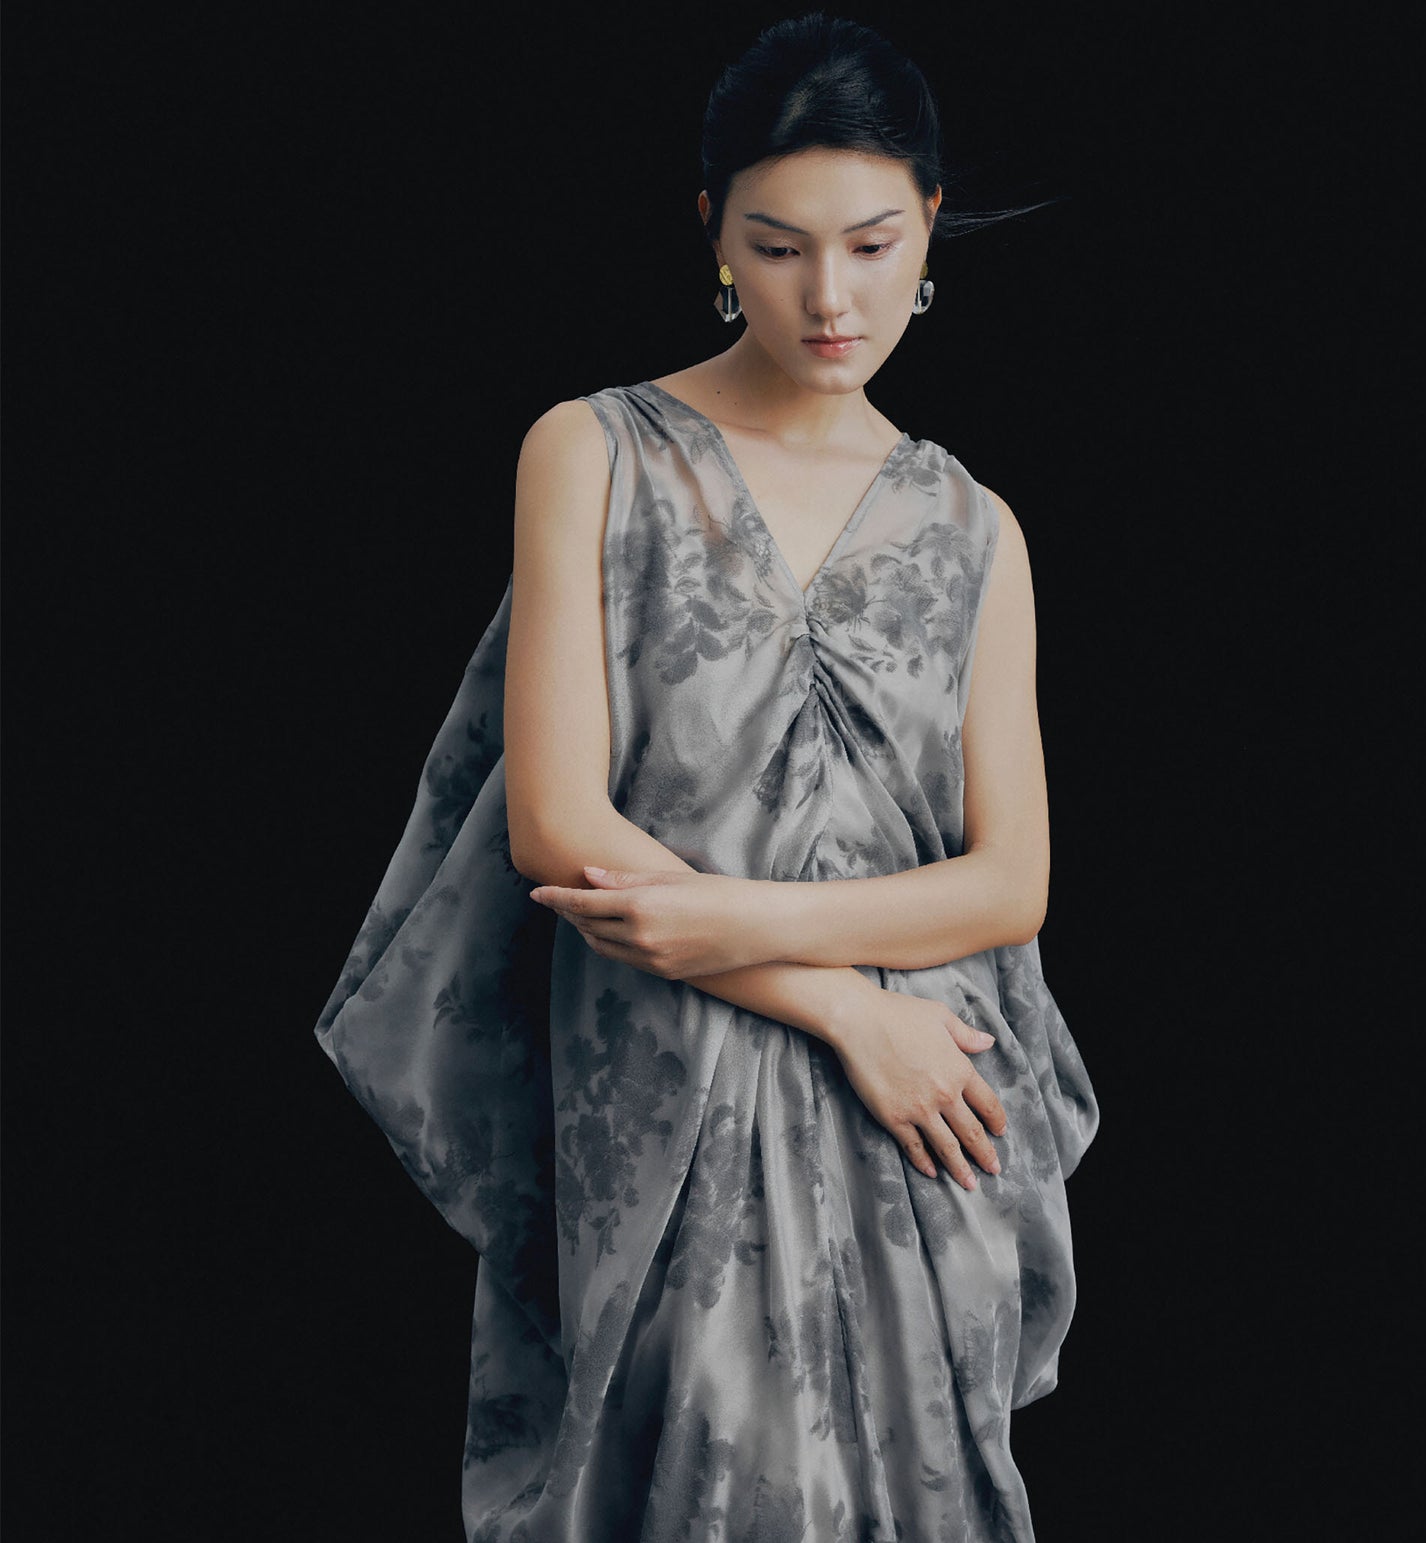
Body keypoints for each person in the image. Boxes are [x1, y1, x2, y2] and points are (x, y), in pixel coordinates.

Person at [314, 13, 1099, 1540]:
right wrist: (844, 1007)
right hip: (675, 1063)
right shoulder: (593, 451)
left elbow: (1013, 884)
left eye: (871, 244)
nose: (829, 296)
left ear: (930, 224)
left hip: (927, 1099)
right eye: (779, 246)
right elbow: (559, 826)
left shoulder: (978, 529)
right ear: (715, 237)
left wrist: (796, 967)